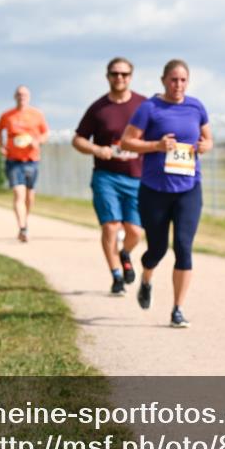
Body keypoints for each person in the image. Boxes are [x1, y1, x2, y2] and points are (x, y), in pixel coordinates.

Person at [121, 59, 211, 328]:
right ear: (163, 80)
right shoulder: (149, 108)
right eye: (173, 80)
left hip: (189, 188)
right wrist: (156, 146)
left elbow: (208, 139)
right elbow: (127, 141)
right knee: (157, 249)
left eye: (183, 80)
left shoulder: (196, 107)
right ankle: (146, 277)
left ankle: (177, 309)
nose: (178, 85)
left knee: (184, 248)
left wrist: (205, 146)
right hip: (155, 190)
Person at [73, 57, 147, 295]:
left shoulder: (143, 105)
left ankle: (124, 253)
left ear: (131, 77)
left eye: (124, 74)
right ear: (107, 76)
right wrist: (96, 149)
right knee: (111, 228)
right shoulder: (99, 108)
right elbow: (78, 139)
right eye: (115, 74)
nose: (119, 78)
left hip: (137, 177)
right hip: (107, 176)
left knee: (135, 231)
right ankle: (116, 276)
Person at [0, 85, 49, 242]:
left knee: (29, 197)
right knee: (18, 193)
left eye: (24, 94)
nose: (22, 97)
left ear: (29, 97)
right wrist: (1, 146)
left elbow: (45, 133)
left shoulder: (37, 114)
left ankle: (25, 221)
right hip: (14, 160)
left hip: (32, 160)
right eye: (19, 94)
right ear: (15, 97)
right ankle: (22, 227)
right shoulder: (7, 115)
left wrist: (38, 141)